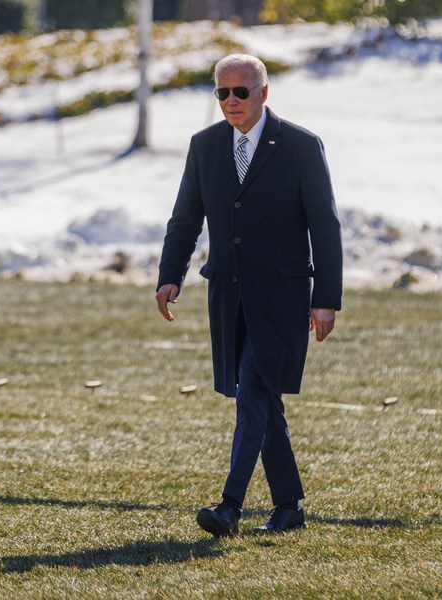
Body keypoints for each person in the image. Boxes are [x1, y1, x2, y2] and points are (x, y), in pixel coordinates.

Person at [155, 54, 343, 536]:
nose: (231, 101)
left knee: (253, 392)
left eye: (241, 91)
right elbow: (185, 219)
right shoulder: (204, 146)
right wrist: (170, 275)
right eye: (222, 92)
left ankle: (230, 507)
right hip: (229, 298)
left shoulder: (301, 146)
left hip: (282, 299)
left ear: (264, 92)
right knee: (260, 397)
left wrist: (326, 298)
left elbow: (324, 226)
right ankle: (289, 507)